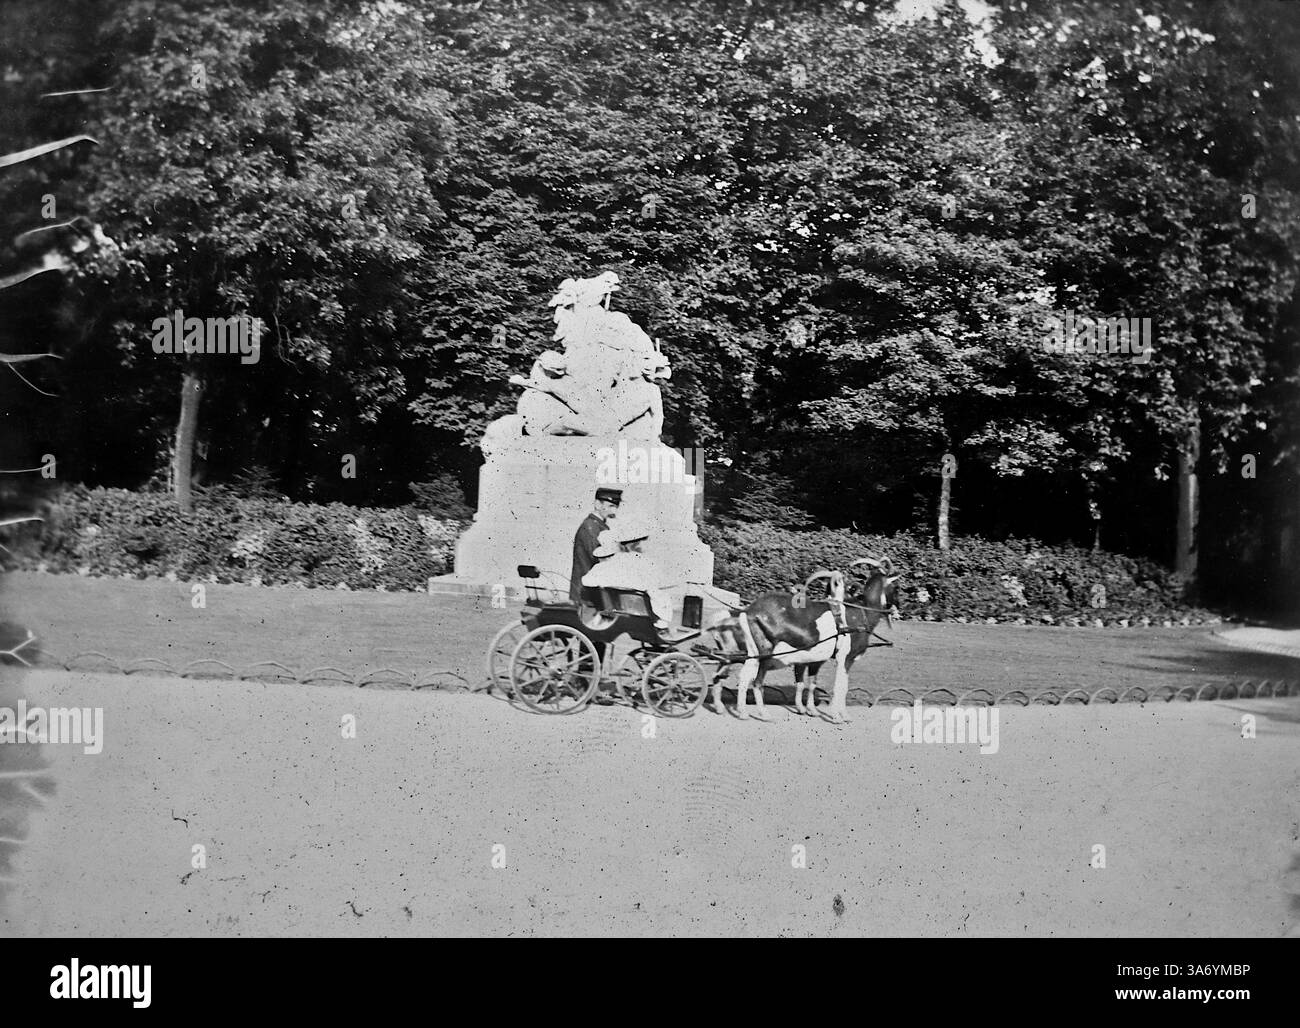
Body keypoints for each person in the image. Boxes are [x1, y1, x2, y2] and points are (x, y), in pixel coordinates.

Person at [581, 521, 675, 627]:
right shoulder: (643, 561)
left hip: (618, 604)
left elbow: (587, 580)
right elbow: (657, 581)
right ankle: (661, 622)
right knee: (659, 593)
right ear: (637, 543)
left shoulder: (612, 562)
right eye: (645, 541)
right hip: (640, 605)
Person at [569, 487, 621, 603]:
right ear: (597, 504)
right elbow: (599, 559)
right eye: (611, 506)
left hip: (592, 590)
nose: (614, 512)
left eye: (616, 507)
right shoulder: (590, 527)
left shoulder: (598, 526)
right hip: (587, 594)